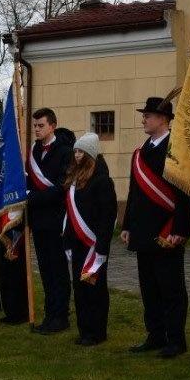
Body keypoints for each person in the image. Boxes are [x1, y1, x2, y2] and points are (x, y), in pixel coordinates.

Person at [121, 96, 190, 359]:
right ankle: (155, 334)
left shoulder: (177, 149)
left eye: (148, 115)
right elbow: (134, 192)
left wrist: (181, 230)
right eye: (144, 115)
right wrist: (127, 224)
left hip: (167, 231)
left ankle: (176, 339)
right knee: (149, 287)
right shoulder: (140, 153)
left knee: (171, 288)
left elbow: (185, 194)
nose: (144, 119)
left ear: (163, 119)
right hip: (143, 231)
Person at [62, 132, 117, 346]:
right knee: (80, 288)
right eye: (75, 151)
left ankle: (97, 332)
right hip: (77, 243)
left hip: (94, 246)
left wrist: (102, 247)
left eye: (81, 152)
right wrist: (67, 241)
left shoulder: (102, 181)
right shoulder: (74, 181)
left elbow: (107, 216)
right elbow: (69, 214)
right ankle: (84, 329)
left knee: (95, 289)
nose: (77, 155)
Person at [27, 107, 75, 334]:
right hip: (38, 221)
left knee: (58, 270)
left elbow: (61, 187)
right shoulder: (34, 151)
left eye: (41, 126)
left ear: (52, 126)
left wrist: (31, 198)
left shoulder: (65, 151)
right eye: (35, 126)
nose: (36, 129)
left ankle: (61, 316)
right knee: (45, 270)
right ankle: (49, 315)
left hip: (57, 219)